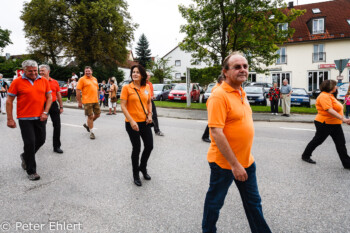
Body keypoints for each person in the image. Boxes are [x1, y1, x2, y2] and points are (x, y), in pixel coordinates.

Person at [202, 52, 271, 233]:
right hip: (225, 163)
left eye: (245, 66)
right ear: (225, 72)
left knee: (254, 204)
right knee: (215, 203)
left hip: (247, 161)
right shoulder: (218, 96)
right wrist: (235, 165)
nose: (243, 70)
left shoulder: (241, 91)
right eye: (237, 67)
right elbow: (216, 132)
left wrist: (243, 162)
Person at [6, 60, 52, 181]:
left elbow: (49, 97)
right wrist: (10, 119)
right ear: (24, 71)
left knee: (41, 140)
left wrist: (45, 112)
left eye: (35, 70)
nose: (33, 73)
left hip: (40, 117)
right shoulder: (17, 82)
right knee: (30, 143)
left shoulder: (44, 81)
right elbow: (9, 101)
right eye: (30, 71)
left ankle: (25, 156)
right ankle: (31, 171)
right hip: (25, 118)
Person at [301, 80, 350, 168]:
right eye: (335, 86)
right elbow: (329, 110)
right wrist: (344, 119)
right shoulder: (323, 96)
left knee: (341, 143)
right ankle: (305, 155)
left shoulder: (330, 95)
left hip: (335, 123)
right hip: (324, 123)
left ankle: (347, 163)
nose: (336, 87)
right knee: (318, 140)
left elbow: (335, 107)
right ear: (330, 87)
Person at [120, 65, 153, 187]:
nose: (135, 74)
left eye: (137, 72)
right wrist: (132, 121)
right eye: (133, 72)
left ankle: (142, 167)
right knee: (137, 148)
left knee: (149, 146)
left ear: (142, 75)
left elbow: (149, 102)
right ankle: (135, 174)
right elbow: (123, 106)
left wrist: (150, 115)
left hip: (145, 122)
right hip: (131, 123)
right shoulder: (127, 88)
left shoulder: (147, 87)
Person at [39, 64, 64, 154]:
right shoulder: (37, 81)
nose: (41, 72)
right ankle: (39, 142)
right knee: (41, 125)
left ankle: (56, 146)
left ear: (48, 71)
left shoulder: (54, 82)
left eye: (43, 71)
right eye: (40, 71)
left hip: (53, 104)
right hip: (42, 105)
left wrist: (61, 106)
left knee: (57, 125)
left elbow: (58, 95)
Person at [76, 66, 100, 140]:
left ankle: (87, 125)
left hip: (95, 100)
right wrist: (79, 102)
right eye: (86, 71)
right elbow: (77, 90)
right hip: (87, 101)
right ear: (84, 72)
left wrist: (98, 98)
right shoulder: (82, 79)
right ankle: (92, 132)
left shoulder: (95, 79)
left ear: (91, 71)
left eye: (89, 71)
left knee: (98, 115)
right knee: (90, 116)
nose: (87, 72)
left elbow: (97, 89)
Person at [202, 74, 224, 143]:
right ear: (221, 80)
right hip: (214, 106)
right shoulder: (216, 88)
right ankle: (205, 136)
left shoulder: (219, 86)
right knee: (212, 122)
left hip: (216, 106)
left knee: (213, 122)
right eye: (224, 80)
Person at [146, 72, 164, 136]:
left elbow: (151, 92)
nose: (147, 76)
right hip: (144, 102)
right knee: (144, 116)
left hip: (150, 101)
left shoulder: (150, 84)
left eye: (148, 75)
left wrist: (152, 96)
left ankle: (157, 130)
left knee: (154, 115)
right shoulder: (142, 83)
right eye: (146, 75)